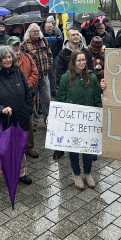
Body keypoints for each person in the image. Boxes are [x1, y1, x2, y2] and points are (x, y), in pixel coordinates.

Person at [0, 46, 33, 193]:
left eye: (10, 57)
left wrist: (28, 108)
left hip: (19, 119)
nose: (8, 59)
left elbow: (27, 91)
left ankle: (20, 173)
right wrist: (0, 109)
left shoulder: (18, 72)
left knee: (19, 149)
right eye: (5, 57)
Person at [55, 50, 106, 189]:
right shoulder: (66, 78)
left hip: (88, 120)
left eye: (84, 60)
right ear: (73, 62)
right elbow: (59, 99)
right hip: (73, 120)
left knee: (88, 148)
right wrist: (54, 118)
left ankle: (88, 173)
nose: (82, 63)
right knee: (73, 147)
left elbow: (96, 98)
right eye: (79, 60)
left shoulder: (92, 77)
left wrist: (99, 116)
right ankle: (76, 174)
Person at [53, 29, 93, 161]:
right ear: (68, 38)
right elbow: (58, 71)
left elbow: (90, 69)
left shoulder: (86, 52)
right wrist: (60, 85)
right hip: (68, 89)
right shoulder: (63, 53)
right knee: (65, 122)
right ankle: (60, 148)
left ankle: (89, 149)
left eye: (78, 35)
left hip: (83, 89)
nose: (76, 37)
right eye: (73, 35)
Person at [9, 36, 40, 158]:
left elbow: (35, 72)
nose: (16, 47)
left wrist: (29, 84)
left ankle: (29, 147)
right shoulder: (6, 59)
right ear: (9, 46)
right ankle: (16, 147)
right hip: (12, 98)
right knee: (13, 124)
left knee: (29, 123)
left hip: (27, 97)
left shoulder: (27, 57)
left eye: (17, 44)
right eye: (13, 45)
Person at [21, 24, 53, 130]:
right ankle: (34, 122)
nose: (36, 33)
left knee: (47, 99)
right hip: (32, 77)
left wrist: (49, 67)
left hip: (44, 75)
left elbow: (50, 55)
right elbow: (22, 60)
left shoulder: (44, 41)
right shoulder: (24, 44)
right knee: (33, 100)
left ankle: (47, 120)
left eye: (37, 31)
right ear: (29, 32)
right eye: (33, 31)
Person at [43, 22, 63, 97]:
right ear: (45, 28)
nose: (49, 28)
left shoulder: (57, 35)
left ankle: (53, 91)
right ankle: (46, 92)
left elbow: (60, 43)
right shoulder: (42, 36)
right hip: (44, 58)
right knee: (45, 75)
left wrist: (58, 53)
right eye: (48, 27)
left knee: (53, 75)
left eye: (51, 27)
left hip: (54, 57)